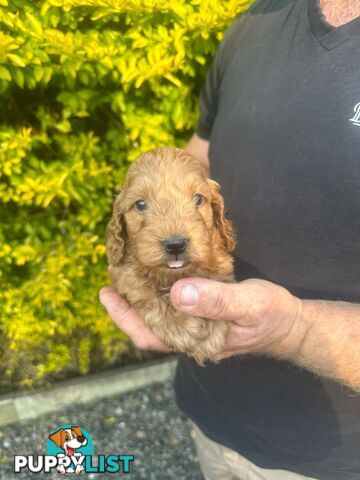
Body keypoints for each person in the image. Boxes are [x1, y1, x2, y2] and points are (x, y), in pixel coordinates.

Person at [100, 0, 360, 478]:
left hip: (332, 457)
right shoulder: (252, 24)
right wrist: (143, 207)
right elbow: (198, 159)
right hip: (211, 414)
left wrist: (296, 329)